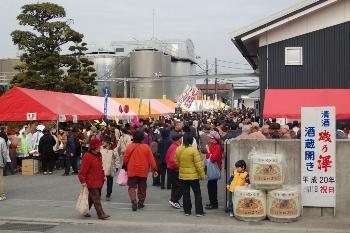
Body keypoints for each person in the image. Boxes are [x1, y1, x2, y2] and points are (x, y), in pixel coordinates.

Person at [123, 130, 158, 211]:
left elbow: (125, 159)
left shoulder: (129, 147)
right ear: (142, 138)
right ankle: (141, 203)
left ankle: (133, 200)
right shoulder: (146, 147)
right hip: (143, 171)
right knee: (142, 187)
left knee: (131, 187)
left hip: (132, 170)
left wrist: (125, 166)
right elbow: (151, 160)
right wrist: (154, 169)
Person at [78, 138, 110, 220]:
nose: (100, 148)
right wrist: (83, 181)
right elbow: (82, 171)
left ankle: (85, 211)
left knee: (92, 198)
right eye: (99, 146)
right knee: (96, 199)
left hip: (99, 180)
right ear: (94, 148)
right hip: (91, 181)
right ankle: (101, 214)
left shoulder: (99, 155)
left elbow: (100, 167)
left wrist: (103, 176)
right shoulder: (87, 156)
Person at [175, 133, 205, 217]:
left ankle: (187, 211)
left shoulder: (178, 149)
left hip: (183, 175)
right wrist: (202, 175)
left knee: (186, 193)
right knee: (197, 193)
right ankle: (199, 211)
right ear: (192, 140)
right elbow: (199, 165)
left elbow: (176, 161)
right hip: (193, 176)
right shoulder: (193, 150)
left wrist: (182, 167)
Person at [205, 131, 222, 210]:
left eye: (211, 138)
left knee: (212, 187)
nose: (210, 139)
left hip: (214, 168)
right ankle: (212, 202)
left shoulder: (217, 147)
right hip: (212, 168)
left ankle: (214, 203)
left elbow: (212, 159)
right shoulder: (213, 145)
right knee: (211, 186)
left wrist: (208, 151)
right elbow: (209, 157)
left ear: (215, 139)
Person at [166, 133, 183, 209]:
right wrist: (178, 167)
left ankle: (174, 200)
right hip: (174, 169)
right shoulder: (176, 147)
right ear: (178, 139)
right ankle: (174, 200)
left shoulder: (173, 146)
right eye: (181, 138)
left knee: (175, 186)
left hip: (171, 168)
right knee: (181, 186)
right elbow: (172, 160)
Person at [101, 136, 120, 201]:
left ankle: (108, 195)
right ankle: (98, 194)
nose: (103, 142)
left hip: (110, 169)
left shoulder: (113, 150)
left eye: (104, 141)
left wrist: (116, 167)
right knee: (100, 183)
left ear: (108, 143)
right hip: (102, 169)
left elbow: (117, 159)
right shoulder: (101, 149)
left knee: (109, 183)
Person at [0, 136, 10, 201]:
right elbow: (4, 152)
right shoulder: (1, 140)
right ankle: (1, 195)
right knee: (0, 179)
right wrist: (5, 160)